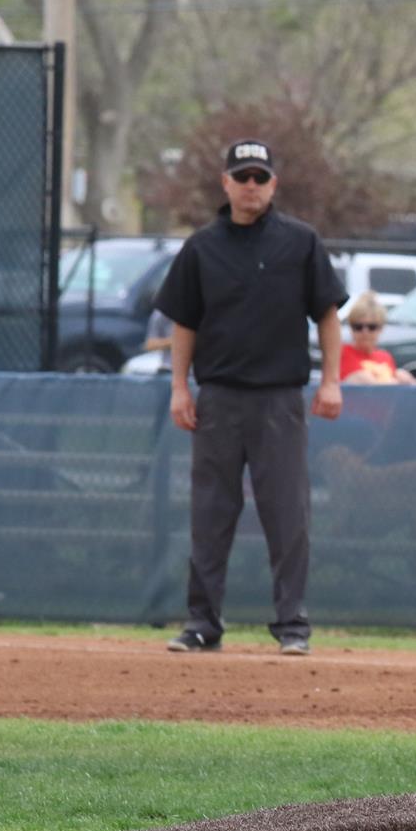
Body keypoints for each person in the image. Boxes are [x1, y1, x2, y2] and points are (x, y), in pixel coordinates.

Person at [155, 138, 346, 657]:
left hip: (279, 398)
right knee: (211, 511)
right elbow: (184, 322)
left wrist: (331, 380)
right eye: (243, 176)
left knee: (287, 513)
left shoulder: (299, 242)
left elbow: (327, 313)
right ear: (226, 183)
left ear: (274, 184)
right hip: (218, 397)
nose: (252, 186)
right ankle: (202, 623)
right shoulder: (202, 247)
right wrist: (179, 388)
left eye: (261, 177)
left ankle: (292, 624)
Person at [338, 292, 416, 385]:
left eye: (371, 327)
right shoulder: (343, 353)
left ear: (380, 329)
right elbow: (365, 382)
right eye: (358, 327)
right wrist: (397, 382)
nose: (365, 332)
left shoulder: (385, 357)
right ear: (351, 329)